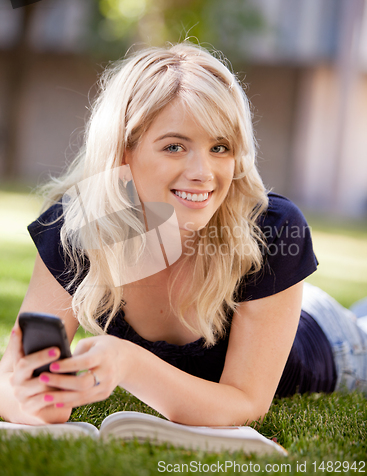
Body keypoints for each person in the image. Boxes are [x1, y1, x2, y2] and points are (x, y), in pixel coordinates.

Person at [0, 43, 366, 427]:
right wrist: (34, 400)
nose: (203, 172)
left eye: (219, 147)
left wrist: (126, 363)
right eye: (175, 146)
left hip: (335, 340)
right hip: (277, 307)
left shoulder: (273, 227)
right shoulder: (75, 228)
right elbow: (11, 377)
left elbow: (245, 403)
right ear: (125, 150)